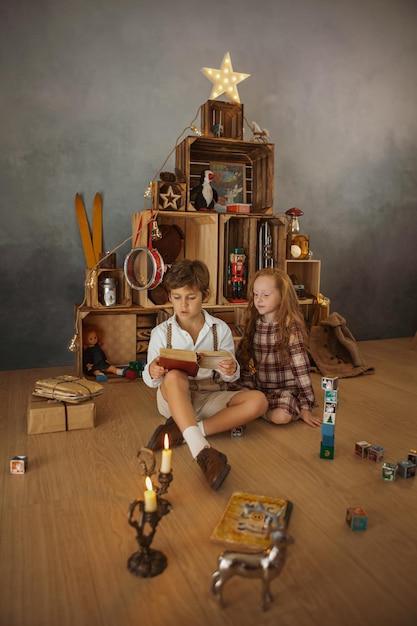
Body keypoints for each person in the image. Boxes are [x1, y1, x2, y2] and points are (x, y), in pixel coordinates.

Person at [142, 259, 268, 491]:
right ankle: (201, 450)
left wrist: (231, 369)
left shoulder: (220, 329)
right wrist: (153, 370)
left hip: (211, 395)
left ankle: (185, 431)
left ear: (205, 295)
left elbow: (231, 377)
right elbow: (151, 380)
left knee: (258, 401)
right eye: (177, 297)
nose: (183, 305)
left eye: (191, 297)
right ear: (170, 296)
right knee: (175, 376)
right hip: (174, 396)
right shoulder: (161, 332)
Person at [229, 267, 320, 427]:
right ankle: (255, 408)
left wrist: (306, 406)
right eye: (256, 294)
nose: (258, 300)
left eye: (266, 295)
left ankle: (257, 412)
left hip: (285, 390)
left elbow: (301, 368)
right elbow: (244, 359)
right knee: (228, 398)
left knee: (281, 418)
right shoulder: (254, 322)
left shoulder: (290, 326)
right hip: (259, 388)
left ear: (282, 296)